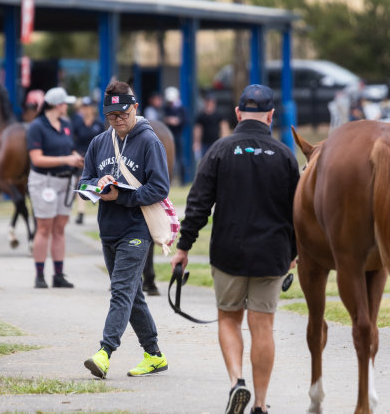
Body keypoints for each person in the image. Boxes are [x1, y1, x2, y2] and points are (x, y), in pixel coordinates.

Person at [169, 84, 299, 414]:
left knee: (228, 319)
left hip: (228, 253)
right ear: (271, 116)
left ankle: (236, 381)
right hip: (272, 255)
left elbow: (198, 205)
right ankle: (260, 403)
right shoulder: (285, 156)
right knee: (263, 327)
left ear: (238, 114)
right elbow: (298, 211)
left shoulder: (219, 150)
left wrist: (183, 248)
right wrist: (295, 252)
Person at [80, 79, 171, 380]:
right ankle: (154, 355)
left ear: (135, 108)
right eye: (111, 116)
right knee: (132, 296)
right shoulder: (98, 143)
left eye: (123, 114)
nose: (118, 121)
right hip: (108, 229)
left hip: (137, 229)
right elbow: (83, 184)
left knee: (120, 291)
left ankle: (104, 353)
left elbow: (160, 187)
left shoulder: (149, 141)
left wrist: (124, 196)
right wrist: (97, 186)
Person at [26, 87, 85, 289]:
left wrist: (76, 158)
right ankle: (39, 274)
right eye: (64, 103)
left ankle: (58, 274)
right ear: (56, 105)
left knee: (60, 228)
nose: (66, 106)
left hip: (65, 179)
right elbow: (36, 159)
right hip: (44, 181)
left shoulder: (66, 125)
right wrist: (66, 159)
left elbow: (68, 148)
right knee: (44, 228)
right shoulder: (37, 126)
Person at [71, 96, 106, 225]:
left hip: (95, 158)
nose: (85, 110)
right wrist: (75, 155)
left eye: (87, 107)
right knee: (80, 180)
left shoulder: (98, 124)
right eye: (83, 107)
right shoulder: (77, 123)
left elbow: (103, 143)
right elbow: (71, 142)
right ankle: (80, 212)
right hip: (80, 157)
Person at [193, 93, 229, 162]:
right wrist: (196, 142)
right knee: (204, 162)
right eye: (208, 102)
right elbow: (198, 130)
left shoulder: (219, 115)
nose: (209, 104)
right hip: (205, 144)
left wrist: (224, 142)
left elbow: (224, 128)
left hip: (216, 143)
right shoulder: (201, 116)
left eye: (211, 102)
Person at [163, 86, 186, 181]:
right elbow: (163, 119)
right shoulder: (166, 108)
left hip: (178, 136)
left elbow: (184, 121)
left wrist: (176, 121)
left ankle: (183, 180)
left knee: (180, 159)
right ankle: (170, 180)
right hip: (167, 137)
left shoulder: (181, 109)